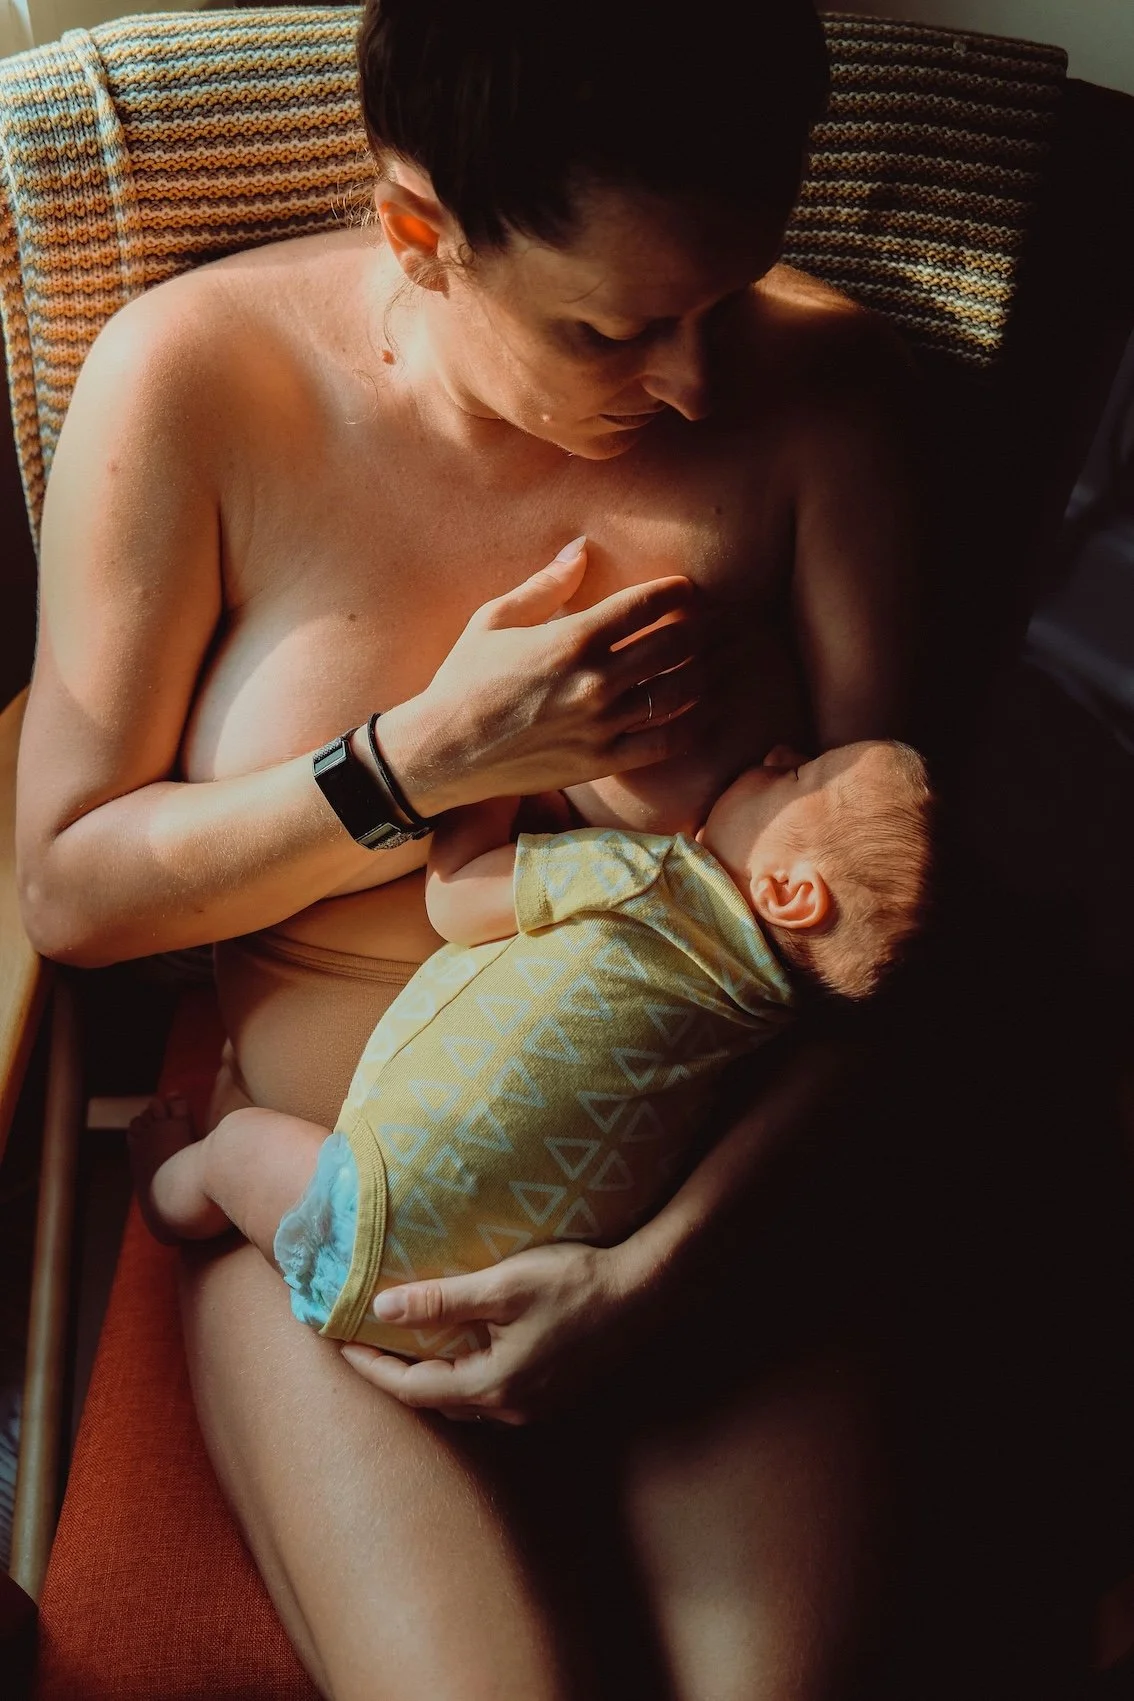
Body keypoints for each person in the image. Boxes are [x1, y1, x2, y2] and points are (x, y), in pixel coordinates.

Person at [15, 0, 930, 1695]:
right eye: (616, 327)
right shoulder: (202, 379)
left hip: (709, 1206)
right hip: (344, 1230)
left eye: (726, 292)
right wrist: (421, 761)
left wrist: (656, 1274)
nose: (691, 381)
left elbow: (886, 957)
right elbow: (66, 886)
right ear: (417, 230)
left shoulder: (822, 403)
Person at [127, 738, 934, 1364]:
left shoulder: (649, 878)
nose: (776, 756)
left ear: (788, 892)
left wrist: (500, 778)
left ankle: (167, 1186)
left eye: (797, 779)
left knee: (229, 1152)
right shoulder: (763, 1026)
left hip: (359, 1217)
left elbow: (455, 896)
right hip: (482, 1318)